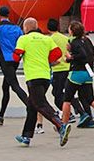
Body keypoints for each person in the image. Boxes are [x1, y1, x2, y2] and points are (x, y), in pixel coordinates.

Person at [12, 18, 67, 147]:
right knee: (31, 106)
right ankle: (26, 136)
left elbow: (16, 56)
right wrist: (46, 59)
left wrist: (19, 56)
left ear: (26, 28)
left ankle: (60, 124)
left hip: (33, 76)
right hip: (46, 76)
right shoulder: (47, 39)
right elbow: (57, 53)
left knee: (40, 104)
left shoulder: (23, 39)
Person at [60, 21, 94, 137]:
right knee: (90, 98)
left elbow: (82, 55)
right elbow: (93, 56)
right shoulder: (87, 40)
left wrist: (70, 58)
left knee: (67, 99)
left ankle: (63, 126)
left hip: (76, 73)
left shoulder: (74, 42)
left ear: (72, 31)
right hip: (88, 73)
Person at [0, 6, 28, 126]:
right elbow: (21, 41)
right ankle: (0, 115)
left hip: (4, 59)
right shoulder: (16, 27)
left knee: (14, 86)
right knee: (6, 86)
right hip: (15, 59)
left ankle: (31, 106)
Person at [48, 18, 88, 127]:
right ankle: (80, 112)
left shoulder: (51, 39)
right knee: (67, 93)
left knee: (58, 95)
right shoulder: (65, 38)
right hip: (68, 67)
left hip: (58, 69)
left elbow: (50, 53)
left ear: (48, 28)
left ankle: (69, 114)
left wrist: (51, 63)